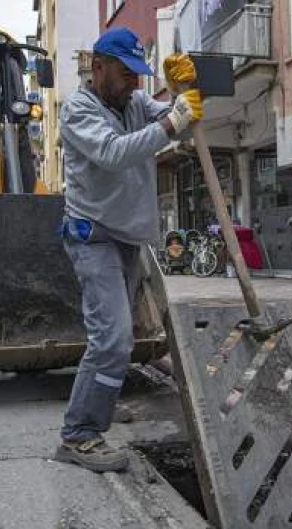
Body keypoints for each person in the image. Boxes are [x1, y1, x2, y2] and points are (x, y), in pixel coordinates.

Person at [54, 27, 202, 472]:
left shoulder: (135, 103)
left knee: (116, 338)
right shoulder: (78, 110)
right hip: (92, 234)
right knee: (113, 339)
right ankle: (79, 435)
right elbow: (115, 152)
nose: (135, 84)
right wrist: (173, 121)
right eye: (125, 74)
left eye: (140, 75)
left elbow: (183, 118)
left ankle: (95, 407)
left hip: (128, 237)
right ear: (98, 69)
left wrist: (188, 92)